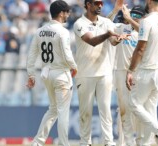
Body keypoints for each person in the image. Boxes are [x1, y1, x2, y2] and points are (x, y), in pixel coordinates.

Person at [73, 0, 129, 145]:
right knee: (85, 112)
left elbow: (112, 40)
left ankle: (108, 142)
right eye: (96, 3)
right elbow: (91, 41)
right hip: (85, 74)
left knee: (106, 111)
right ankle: (85, 142)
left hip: (104, 72)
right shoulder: (79, 23)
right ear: (88, 5)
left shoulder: (106, 22)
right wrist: (108, 34)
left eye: (101, 4)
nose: (100, 6)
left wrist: (117, 39)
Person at [26, 1, 77, 146]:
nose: (68, 14)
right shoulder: (63, 31)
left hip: (46, 74)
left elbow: (31, 55)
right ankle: (63, 143)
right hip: (61, 74)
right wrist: (75, 67)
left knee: (53, 109)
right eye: (66, 12)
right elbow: (67, 55)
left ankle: (37, 142)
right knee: (62, 112)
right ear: (61, 13)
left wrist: (31, 74)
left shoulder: (39, 31)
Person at [125, 0, 158, 145]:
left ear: (150, 1)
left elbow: (140, 49)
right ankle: (147, 143)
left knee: (133, 104)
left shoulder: (147, 21)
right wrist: (129, 20)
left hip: (148, 71)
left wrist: (130, 70)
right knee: (150, 109)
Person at [108, 2, 147, 146]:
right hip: (120, 72)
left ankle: (142, 141)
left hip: (137, 73)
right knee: (123, 110)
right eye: (133, 15)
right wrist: (116, 11)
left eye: (138, 15)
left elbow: (144, 33)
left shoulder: (143, 33)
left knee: (138, 108)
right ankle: (125, 142)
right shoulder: (120, 28)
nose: (135, 18)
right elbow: (106, 27)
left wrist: (130, 18)